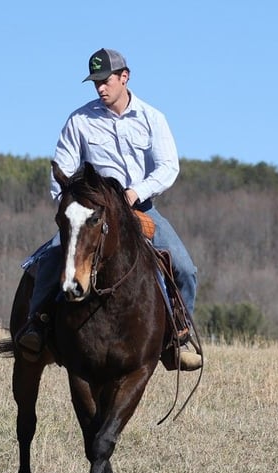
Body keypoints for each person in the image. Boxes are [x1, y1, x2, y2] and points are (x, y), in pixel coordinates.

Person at [17, 48, 201, 370]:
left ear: (124, 77)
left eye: (106, 81)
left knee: (185, 268)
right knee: (48, 259)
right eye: (95, 83)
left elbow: (168, 167)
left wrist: (136, 192)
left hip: (139, 210)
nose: (100, 88)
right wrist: (71, 202)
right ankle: (37, 324)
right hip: (91, 213)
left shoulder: (152, 119)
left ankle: (177, 337)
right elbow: (60, 168)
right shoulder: (80, 120)